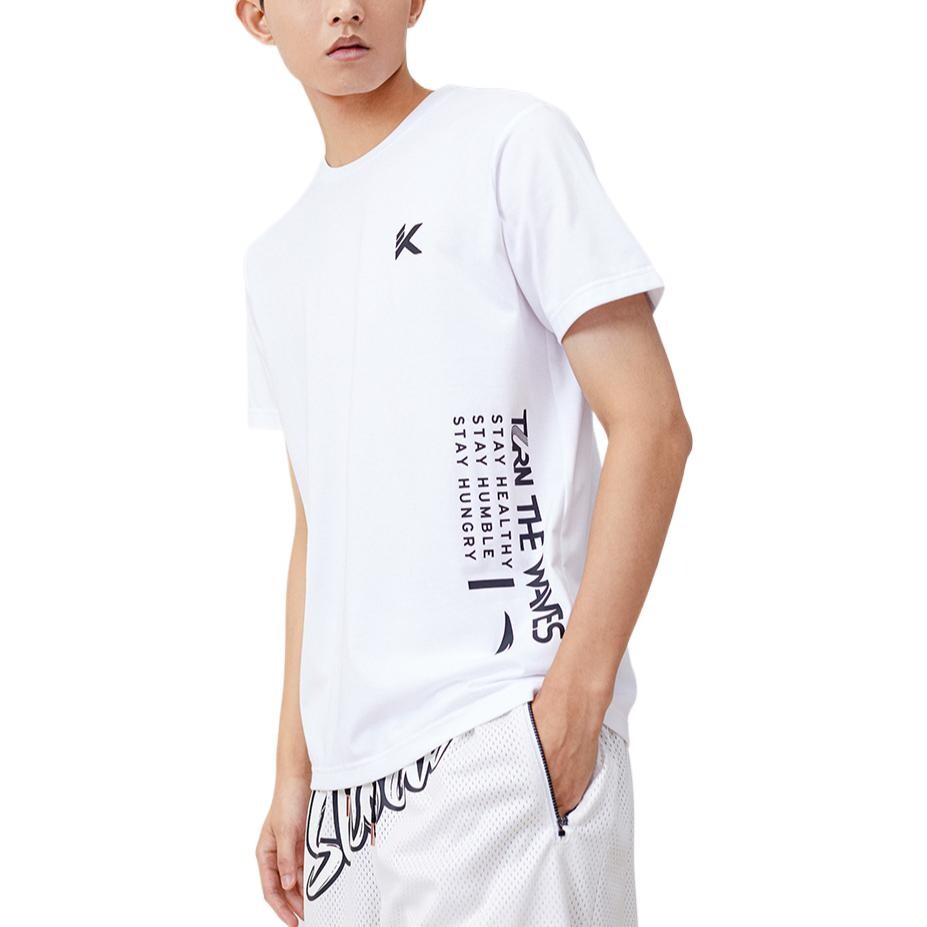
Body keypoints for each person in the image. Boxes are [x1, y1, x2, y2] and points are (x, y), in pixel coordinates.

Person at [236, 2, 692, 924]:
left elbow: (651, 424)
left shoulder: (509, 144)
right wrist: (294, 769)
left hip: (501, 735)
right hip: (347, 798)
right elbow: (319, 524)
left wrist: (571, 709)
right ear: (255, 16)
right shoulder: (275, 259)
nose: (343, 9)